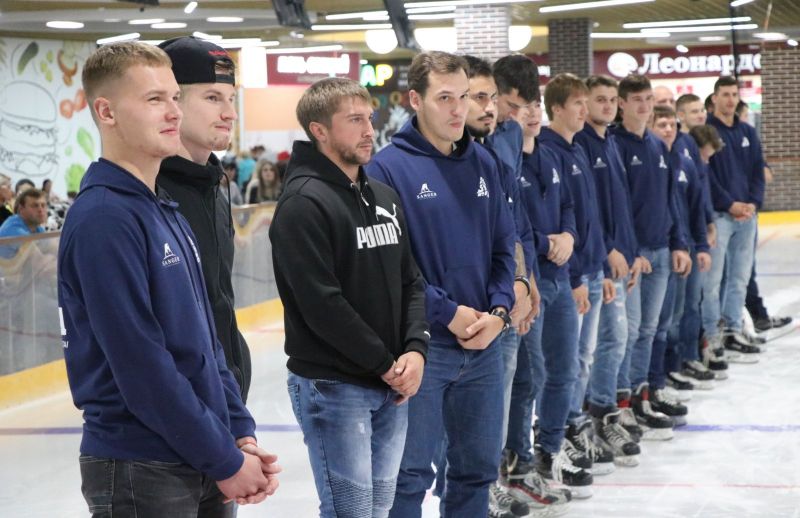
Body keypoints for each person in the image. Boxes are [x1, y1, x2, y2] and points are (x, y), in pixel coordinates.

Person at [57, 41, 278, 517]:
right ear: (107, 112)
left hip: (203, 451)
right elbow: (141, 366)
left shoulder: (164, 208)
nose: (173, 111)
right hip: (142, 465)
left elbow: (208, 341)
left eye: (175, 97)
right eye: (154, 99)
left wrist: (238, 430)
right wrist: (224, 458)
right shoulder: (104, 218)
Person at [270, 77, 429, 518]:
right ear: (319, 130)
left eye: (370, 119)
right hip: (336, 387)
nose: (369, 131)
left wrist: (415, 350)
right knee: (350, 513)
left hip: (390, 382)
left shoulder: (384, 197)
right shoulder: (303, 204)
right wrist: (386, 365)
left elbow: (411, 281)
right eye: (355, 120)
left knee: (378, 511)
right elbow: (322, 305)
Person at [366, 51, 516, 517]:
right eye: (444, 98)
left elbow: (503, 247)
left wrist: (499, 312)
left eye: (463, 97)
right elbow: (391, 268)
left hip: (484, 345)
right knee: (409, 477)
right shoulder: (385, 170)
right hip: (423, 349)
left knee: (477, 470)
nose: (458, 109)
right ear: (416, 100)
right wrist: (448, 313)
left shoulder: (485, 162)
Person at [460, 54, 540, 518]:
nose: (491, 108)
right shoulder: (452, 158)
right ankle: (479, 489)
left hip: (506, 297)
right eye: (480, 98)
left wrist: (525, 283)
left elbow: (514, 222)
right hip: (470, 310)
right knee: (473, 414)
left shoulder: (502, 142)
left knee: (504, 395)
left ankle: (492, 481)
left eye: (493, 98)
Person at [155, 36, 253, 401]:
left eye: (231, 99)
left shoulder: (214, 189)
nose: (230, 113)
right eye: (213, 98)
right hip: (182, 409)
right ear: (171, 103)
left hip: (226, 398)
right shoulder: (148, 195)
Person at [536, 73, 607, 497]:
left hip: (583, 271)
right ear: (557, 108)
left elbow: (579, 217)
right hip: (563, 276)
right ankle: (551, 437)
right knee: (560, 365)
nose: (585, 110)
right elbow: (555, 222)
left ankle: (560, 432)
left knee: (574, 363)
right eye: (578, 103)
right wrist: (577, 275)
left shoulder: (576, 148)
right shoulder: (549, 151)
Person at [611, 73, 691, 441]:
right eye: (637, 100)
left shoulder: (658, 145)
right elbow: (616, 207)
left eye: (648, 99)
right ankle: (620, 403)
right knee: (626, 333)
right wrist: (630, 252)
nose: (644, 106)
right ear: (622, 103)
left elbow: (671, 199)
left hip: (661, 250)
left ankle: (641, 394)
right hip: (633, 257)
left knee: (649, 330)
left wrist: (679, 243)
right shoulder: (616, 145)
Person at [574, 74, 641, 466]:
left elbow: (621, 207)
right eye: (600, 99)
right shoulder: (581, 144)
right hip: (599, 261)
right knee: (602, 343)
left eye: (613, 100)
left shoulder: (610, 143)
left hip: (620, 259)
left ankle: (604, 409)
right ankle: (596, 415)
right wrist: (606, 255)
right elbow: (590, 212)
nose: (608, 106)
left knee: (618, 339)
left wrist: (630, 253)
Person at [647, 105, 712, 423]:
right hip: (661, 250)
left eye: (672, 124)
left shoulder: (682, 160)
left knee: (675, 315)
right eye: (661, 124)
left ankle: (667, 372)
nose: (668, 129)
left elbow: (695, 206)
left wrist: (699, 243)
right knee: (657, 323)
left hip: (681, 248)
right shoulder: (652, 161)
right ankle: (655, 379)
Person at [702, 76, 765, 358]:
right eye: (725, 94)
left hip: (747, 217)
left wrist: (752, 203)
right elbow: (707, 176)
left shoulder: (747, 132)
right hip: (720, 216)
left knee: (739, 278)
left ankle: (733, 329)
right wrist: (730, 204)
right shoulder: (706, 132)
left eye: (734, 95)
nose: (730, 100)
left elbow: (757, 171)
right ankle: (712, 335)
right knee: (713, 281)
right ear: (714, 98)